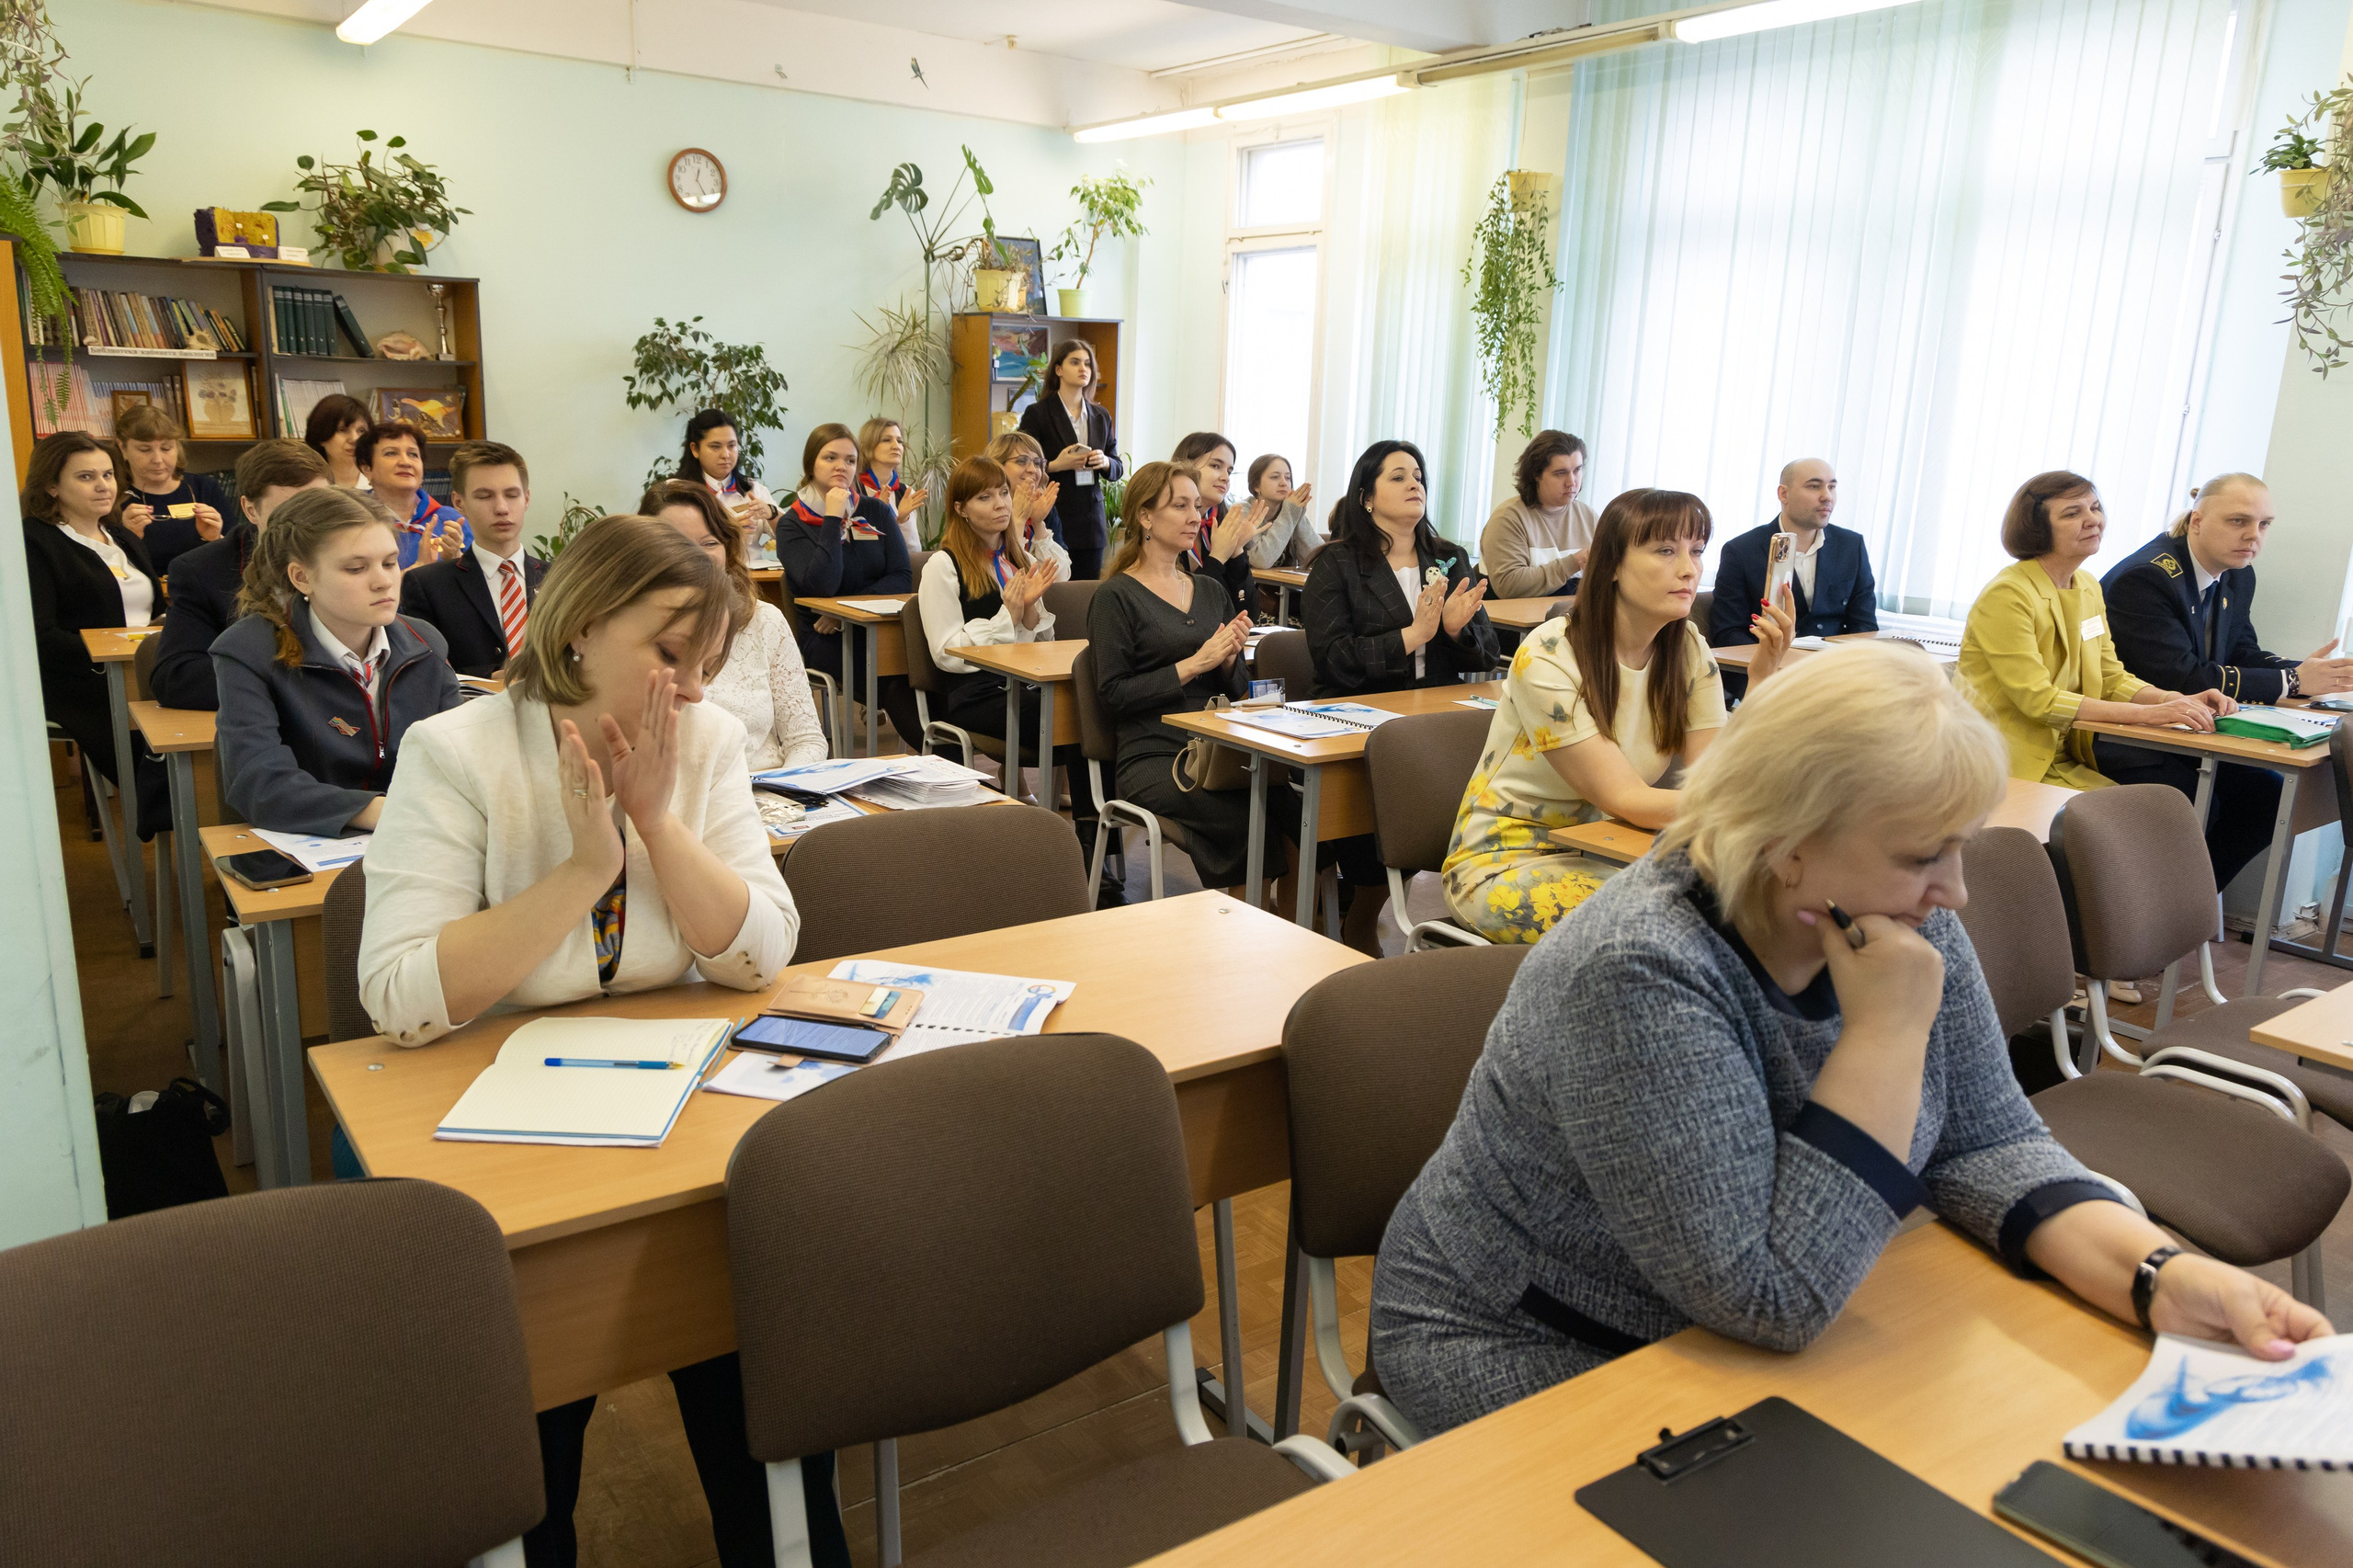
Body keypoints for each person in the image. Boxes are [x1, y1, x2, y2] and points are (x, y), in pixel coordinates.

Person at [1371, 641, 2331, 1437]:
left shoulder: (1897, 910)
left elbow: (1990, 1138)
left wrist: (2156, 1274)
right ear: (1787, 838)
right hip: (1537, 1339)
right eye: (1924, 855)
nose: (1955, 890)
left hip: (1727, 1331)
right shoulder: (1639, 968)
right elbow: (1770, 1294)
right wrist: (1885, 1034)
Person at [354, 515, 834, 1568]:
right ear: (577, 628)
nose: (695, 689)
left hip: (681, 1126)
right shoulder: (456, 750)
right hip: (514, 1145)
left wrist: (658, 823)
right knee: (534, 1431)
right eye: (670, 655)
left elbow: (760, 952)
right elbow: (399, 995)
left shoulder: (700, 743)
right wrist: (583, 867)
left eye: (706, 664)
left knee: (761, 1374)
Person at [1442, 489, 1793, 944]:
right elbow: (1625, 798)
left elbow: (1718, 780)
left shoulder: (1686, 648)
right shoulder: (1549, 655)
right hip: (1509, 862)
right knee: (1674, 929)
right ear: (1610, 565)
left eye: (1697, 551)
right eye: (1665, 551)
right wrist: (1765, 812)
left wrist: (1763, 678)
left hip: (1620, 852)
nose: (1690, 569)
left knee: (1771, 902)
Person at [2097, 472, 2353, 891]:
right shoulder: (2146, 579)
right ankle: (2152, 917)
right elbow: (2181, 676)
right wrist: (2290, 680)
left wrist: (2312, 677)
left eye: (2264, 524)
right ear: (2196, 521)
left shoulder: (2237, 574)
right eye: (2238, 521)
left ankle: (2181, 909)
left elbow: (2240, 655)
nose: (2253, 536)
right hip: (2129, 733)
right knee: (2197, 801)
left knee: (2268, 799)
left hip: (2190, 731)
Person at [1087, 460, 1295, 899]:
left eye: (1196, 506)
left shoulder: (1209, 589)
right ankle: (1238, 929)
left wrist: (1227, 660)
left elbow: (1234, 685)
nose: (1193, 517)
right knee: (1242, 816)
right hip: (1153, 752)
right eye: (1179, 506)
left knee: (1293, 806)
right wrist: (1195, 663)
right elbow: (1112, 695)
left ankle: (1286, 927)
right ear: (1145, 516)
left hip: (1218, 744)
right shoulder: (1115, 596)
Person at [1959, 471, 2233, 790]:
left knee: (2160, 809)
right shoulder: (2008, 594)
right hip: (2002, 760)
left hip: (2062, 756)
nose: (2093, 520)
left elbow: (2110, 677)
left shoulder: (2087, 585)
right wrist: (2150, 715)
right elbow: (2039, 700)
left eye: (2095, 507)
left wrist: (2174, 700)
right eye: (2072, 513)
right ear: (2038, 528)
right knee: (2136, 818)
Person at [211, 488, 465, 835]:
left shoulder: (425, 643)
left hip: (422, 836)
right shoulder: (248, 650)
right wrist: (388, 812)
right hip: (310, 844)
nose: (384, 581)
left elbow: (461, 760)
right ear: (301, 577)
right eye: (356, 568)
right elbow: (260, 784)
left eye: (390, 563)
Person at [22, 431, 167, 832]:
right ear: (52, 485)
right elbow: (41, 636)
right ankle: (169, 809)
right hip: (85, 680)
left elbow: (157, 611)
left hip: (144, 670)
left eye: (107, 474)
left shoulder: (120, 536)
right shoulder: (35, 541)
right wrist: (114, 654)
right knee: (162, 752)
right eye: (86, 477)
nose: (104, 485)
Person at [645, 478, 827, 772]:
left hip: (770, 792)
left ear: (726, 548)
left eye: (709, 543)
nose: (696, 559)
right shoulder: (630, 633)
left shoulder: (763, 620)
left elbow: (806, 740)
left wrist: (789, 790)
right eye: (676, 545)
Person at [1302, 438, 1496, 698]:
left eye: (1418, 478)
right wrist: (1414, 635)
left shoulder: (1450, 558)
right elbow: (1333, 660)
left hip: (1437, 703)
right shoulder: (1337, 563)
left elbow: (1490, 655)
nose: (1414, 484)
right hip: (1364, 704)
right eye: (1398, 478)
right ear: (1366, 497)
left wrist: (1455, 631)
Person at [153, 439, 331, 710]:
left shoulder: (356, 559)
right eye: (289, 512)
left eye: (319, 507)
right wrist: (299, 685)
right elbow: (177, 678)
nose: (307, 525)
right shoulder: (202, 571)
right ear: (250, 510)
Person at [775, 422, 922, 746]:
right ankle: (935, 749)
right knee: (895, 681)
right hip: (822, 638)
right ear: (811, 464)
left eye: (850, 460)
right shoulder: (792, 523)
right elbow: (822, 587)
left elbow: (901, 576)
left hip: (873, 627)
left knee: (924, 672)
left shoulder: (877, 512)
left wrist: (844, 612)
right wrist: (832, 517)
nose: (842, 466)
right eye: (831, 458)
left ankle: (940, 754)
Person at [919, 455, 1060, 748]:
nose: (1001, 504)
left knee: (1081, 708)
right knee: (1056, 717)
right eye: (985, 497)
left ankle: (1079, 794)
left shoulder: (1023, 559)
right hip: (975, 694)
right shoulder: (943, 565)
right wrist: (1008, 615)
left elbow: (1038, 645)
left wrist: (1029, 607)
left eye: (1004, 493)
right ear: (961, 509)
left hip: (1023, 683)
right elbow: (946, 653)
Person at [398, 440, 548, 678]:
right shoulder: (429, 585)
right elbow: (427, 673)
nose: (501, 508)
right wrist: (489, 679)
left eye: (511, 495)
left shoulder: (560, 577)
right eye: (485, 496)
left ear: (526, 499)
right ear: (459, 503)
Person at [1711, 458, 1879, 646]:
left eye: (1832, 487)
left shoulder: (1851, 546)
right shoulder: (1741, 551)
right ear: (1784, 494)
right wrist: (1771, 659)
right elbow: (1727, 632)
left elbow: (1865, 626)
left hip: (1834, 666)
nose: (1827, 496)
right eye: (1814, 487)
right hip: (1770, 666)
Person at [1015, 339, 1121, 579]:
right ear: (1059, 369)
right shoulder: (1038, 413)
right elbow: (1020, 464)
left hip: (1090, 522)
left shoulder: (1100, 415)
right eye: (1075, 362)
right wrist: (1056, 465)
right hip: (1053, 514)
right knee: (1053, 591)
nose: (1083, 368)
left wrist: (1104, 462)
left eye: (1087, 364)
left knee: (1084, 594)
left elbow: (1117, 467)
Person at [113, 403, 231, 577]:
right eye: (145, 450)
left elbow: (239, 559)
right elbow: (104, 569)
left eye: (166, 448)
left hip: (202, 594)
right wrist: (127, 539)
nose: (158, 459)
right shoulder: (113, 496)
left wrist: (215, 539)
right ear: (123, 448)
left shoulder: (205, 487)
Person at [1478, 430, 1595, 601]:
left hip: (1569, 622)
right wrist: (1573, 562)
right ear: (1536, 475)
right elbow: (1508, 586)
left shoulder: (1589, 517)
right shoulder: (1508, 519)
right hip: (1514, 625)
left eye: (1577, 470)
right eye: (1560, 473)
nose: (1572, 482)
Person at [1167, 431, 1265, 604]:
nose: (1225, 477)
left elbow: (1248, 610)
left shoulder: (1219, 523)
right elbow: (1183, 608)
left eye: (1229, 470)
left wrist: (1237, 551)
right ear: (1186, 465)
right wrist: (1218, 557)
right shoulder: (1166, 523)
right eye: (1215, 466)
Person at [357, 420, 468, 569]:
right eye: (391, 453)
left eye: (413, 454)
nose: (405, 462)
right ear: (367, 468)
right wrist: (418, 569)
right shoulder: (353, 520)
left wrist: (456, 560)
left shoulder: (452, 521)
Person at [678, 407, 780, 553]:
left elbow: (791, 535)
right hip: (698, 573)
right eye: (715, 446)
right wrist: (726, 532)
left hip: (751, 574)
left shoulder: (753, 489)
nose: (726, 454)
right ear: (695, 449)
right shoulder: (677, 492)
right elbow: (668, 545)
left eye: (732, 445)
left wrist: (772, 513)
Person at [983, 429, 1074, 580]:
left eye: (1038, 463)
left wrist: (1038, 524)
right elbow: (1006, 575)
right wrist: (1019, 519)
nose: (1033, 470)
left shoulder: (1043, 507)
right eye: (1021, 461)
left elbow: (1060, 578)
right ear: (997, 465)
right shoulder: (986, 507)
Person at [856, 416, 930, 551]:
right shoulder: (853, 490)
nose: (896, 446)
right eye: (887, 440)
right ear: (868, 446)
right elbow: (855, 548)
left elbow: (913, 550)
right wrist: (875, 517)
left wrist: (903, 520)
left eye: (899, 441)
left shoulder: (905, 492)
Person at [1239, 452, 1322, 571]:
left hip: (1286, 587)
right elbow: (1261, 560)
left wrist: (1298, 514)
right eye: (1275, 477)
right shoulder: (1244, 510)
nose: (1284, 483)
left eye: (1287, 478)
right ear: (1256, 485)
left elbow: (1317, 559)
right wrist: (1290, 513)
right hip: (1253, 587)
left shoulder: (1290, 509)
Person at [302, 392, 371, 489]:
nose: (354, 439)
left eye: (361, 431)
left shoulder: (381, 482)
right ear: (321, 436)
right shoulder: (307, 486)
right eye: (343, 430)